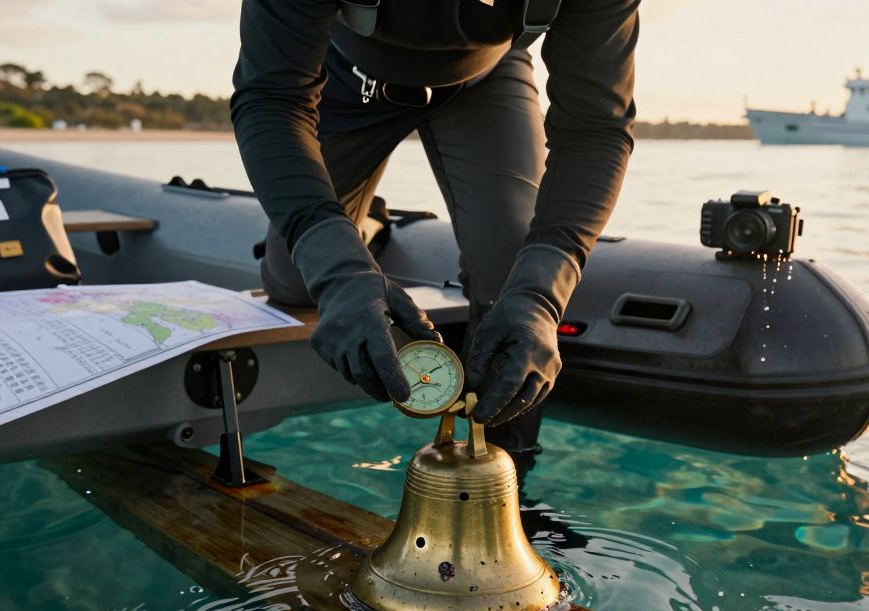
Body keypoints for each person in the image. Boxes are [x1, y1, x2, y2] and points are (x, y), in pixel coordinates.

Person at [231, 0, 638, 461]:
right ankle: (361, 226)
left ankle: (509, 481)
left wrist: (542, 296)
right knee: (296, 283)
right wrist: (339, 274)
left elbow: (596, 127)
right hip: (342, 83)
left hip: (486, 81)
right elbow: (270, 99)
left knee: (513, 271)